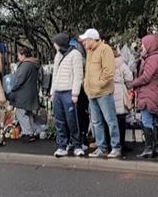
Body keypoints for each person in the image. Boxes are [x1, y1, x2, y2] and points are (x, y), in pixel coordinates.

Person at [81, 29, 122, 159]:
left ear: (92, 39)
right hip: (92, 93)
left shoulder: (105, 49)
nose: (83, 43)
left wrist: (98, 84)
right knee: (96, 122)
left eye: (85, 40)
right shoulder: (90, 52)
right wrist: (87, 86)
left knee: (110, 120)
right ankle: (102, 147)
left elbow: (109, 71)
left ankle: (115, 147)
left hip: (103, 92)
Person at [127, 34, 158, 159]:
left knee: (147, 120)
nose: (142, 47)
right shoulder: (151, 57)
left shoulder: (152, 59)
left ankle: (149, 148)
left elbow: (146, 77)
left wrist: (133, 84)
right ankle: (155, 146)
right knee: (151, 121)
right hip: (150, 93)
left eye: (143, 44)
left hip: (148, 94)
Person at [50, 33, 85, 157]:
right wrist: (52, 92)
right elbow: (55, 75)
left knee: (72, 120)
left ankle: (77, 145)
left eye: (55, 43)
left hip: (69, 91)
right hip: (58, 92)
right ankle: (62, 146)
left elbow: (78, 75)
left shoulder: (75, 54)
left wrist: (75, 93)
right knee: (59, 120)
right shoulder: (58, 55)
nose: (54, 45)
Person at [10, 47, 41, 142]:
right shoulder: (33, 64)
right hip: (30, 92)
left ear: (23, 55)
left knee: (20, 113)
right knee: (28, 114)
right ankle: (35, 131)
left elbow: (19, 80)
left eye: (19, 55)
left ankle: (29, 132)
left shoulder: (25, 65)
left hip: (23, 94)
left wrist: (13, 88)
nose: (18, 57)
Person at [113, 48, 134, 152]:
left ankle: (112, 143)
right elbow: (129, 77)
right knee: (121, 120)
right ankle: (121, 143)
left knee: (110, 121)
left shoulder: (105, 63)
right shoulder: (121, 64)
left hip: (109, 91)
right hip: (120, 91)